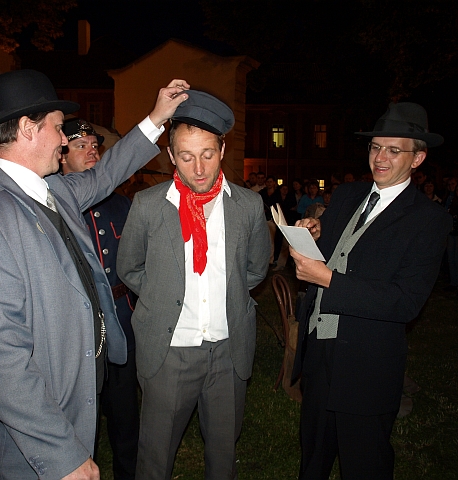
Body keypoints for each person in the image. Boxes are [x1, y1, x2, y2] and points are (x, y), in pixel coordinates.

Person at [0, 69, 189, 480]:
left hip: (77, 397)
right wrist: (61, 455)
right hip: (42, 427)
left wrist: (157, 117)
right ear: (28, 129)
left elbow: (106, 173)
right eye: (59, 128)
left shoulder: (54, 191)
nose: (64, 140)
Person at [290, 102, 451, 480]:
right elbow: (337, 251)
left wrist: (328, 279)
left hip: (366, 364)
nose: (380, 158)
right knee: (312, 457)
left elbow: (405, 301)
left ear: (418, 158)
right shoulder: (348, 195)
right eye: (376, 147)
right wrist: (314, 234)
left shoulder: (429, 219)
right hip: (319, 350)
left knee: (364, 462)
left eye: (394, 150)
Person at [117, 90, 270, 480]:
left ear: (222, 149)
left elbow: (255, 270)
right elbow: (129, 267)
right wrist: (163, 295)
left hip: (228, 352)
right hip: (169, 353)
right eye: (186, 157)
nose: (199, 169)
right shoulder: (148, 205)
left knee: (223, 454)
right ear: (170, 155)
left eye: (207, 154)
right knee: (155, 457)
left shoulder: (248, 206)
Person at [59, 118, 139, 480]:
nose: (92, 151)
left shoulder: (121, 205)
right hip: (77, 328)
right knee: (79, 414)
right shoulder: (53, 205)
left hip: (122, 319)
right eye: (81, 146)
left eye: (95, 146)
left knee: (125, 412)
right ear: (61, 155)